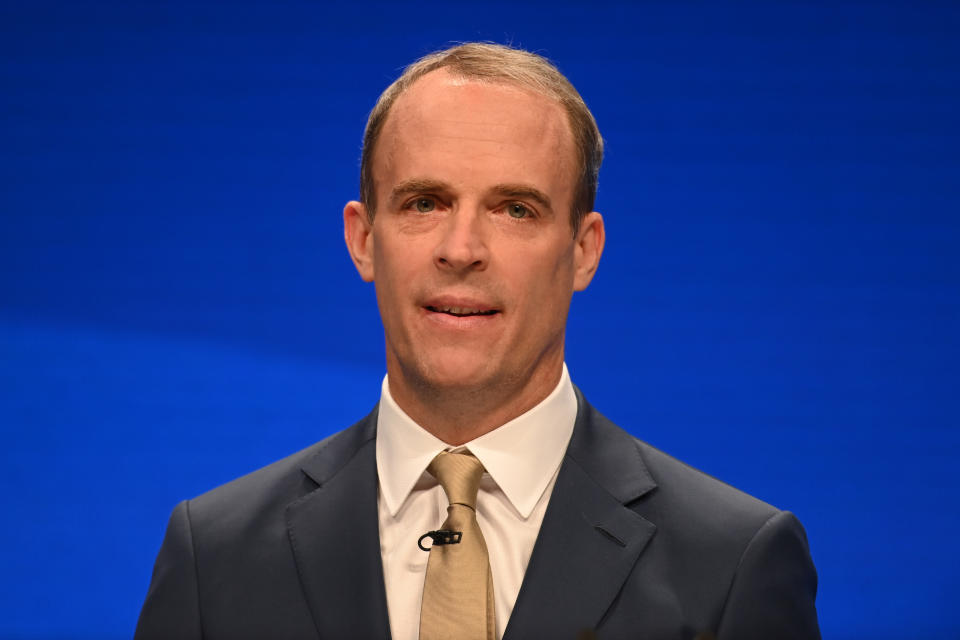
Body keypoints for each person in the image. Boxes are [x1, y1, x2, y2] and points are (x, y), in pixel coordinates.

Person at [135, 43, 820, 640]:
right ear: (363, 239)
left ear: (583, 251)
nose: (461, 249)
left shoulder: (731, 565)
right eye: (424, 202)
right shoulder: (215, 558)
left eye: (515, 209)